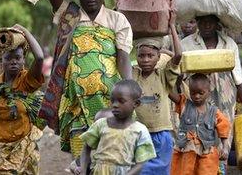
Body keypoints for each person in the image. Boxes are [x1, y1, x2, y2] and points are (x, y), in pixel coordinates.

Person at [39, 0, 133, 164]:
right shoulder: (71, 16)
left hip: (109, 104)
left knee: (112, 160)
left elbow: (123, 58)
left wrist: (129, 89)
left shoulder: (116, 19)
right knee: (83, 162)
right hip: (77, 105)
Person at [181, 14, 242, 173]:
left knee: (223, 135)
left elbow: (237, 77)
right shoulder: (186, 44)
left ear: (217, 23)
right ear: (197, 23)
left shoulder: (229, 43)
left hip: (225, 97)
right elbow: (179, 76)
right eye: (203, 22)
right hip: (196, 96)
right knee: (198, 137)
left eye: (210, 22)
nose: (206, 26)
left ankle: (220, 170)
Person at [0, 24, 45, 174]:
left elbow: (39, 58)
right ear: (1, 62)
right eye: (8, 58)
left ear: (23, 61)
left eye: (18, 58)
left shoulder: (26, 81)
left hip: (23, 148)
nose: (13, 61)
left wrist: (24, 31)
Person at [132, 13, 182, 175]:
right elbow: (121, 55)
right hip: (139, 133)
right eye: (141, 56)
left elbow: (178, 55)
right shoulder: (133, 74)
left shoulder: (163, 75)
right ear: (136, 57)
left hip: (162, 134)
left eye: (150, 56)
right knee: (139, 170)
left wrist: (172, 26)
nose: (145, 60)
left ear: (158, 57)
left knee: (160, 171)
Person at [77, 80, 156, 175]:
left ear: (136, 104)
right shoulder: (101, 124)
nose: (115, 105)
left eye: (121, 101)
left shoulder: (140, 130)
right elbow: (86, 148)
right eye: (112, 100)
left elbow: (141, 162)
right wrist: (82, 170)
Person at [169, 73, 231, 175]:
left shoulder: (214, 112)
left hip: (206, 152)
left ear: (208, 92)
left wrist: (224, 147)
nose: (197, 96)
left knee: (206, 172)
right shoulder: (184, 104)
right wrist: (177, 81)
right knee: (184, 171)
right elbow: (170, 94)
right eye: (193, 93)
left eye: (201, 93)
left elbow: (224, 126)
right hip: (186, 150)